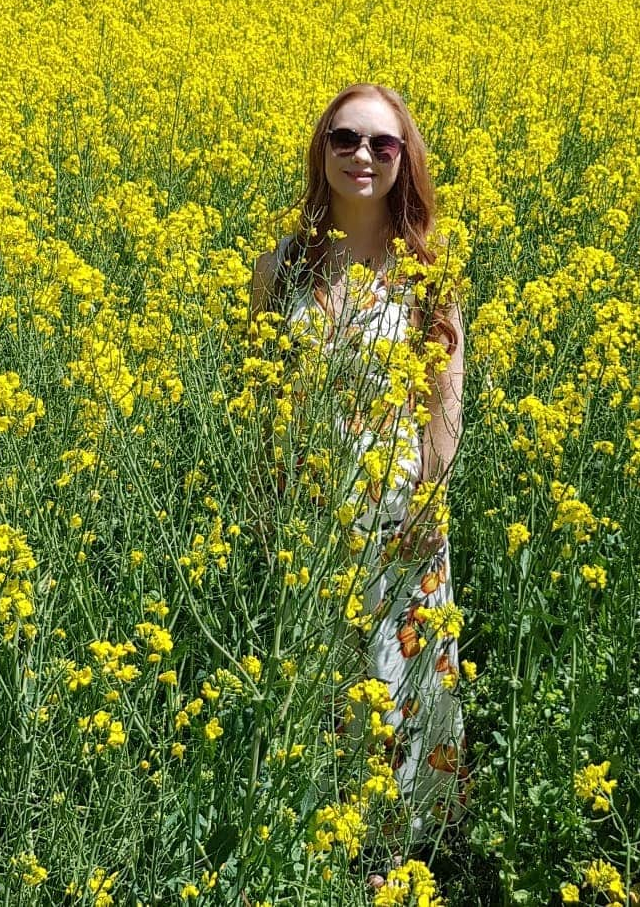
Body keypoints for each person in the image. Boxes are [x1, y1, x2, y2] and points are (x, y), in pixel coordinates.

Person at [250, 83, 467, 849]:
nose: (362, 156)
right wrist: (266, 503)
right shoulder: (281, 267)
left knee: (401, 686)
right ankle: (316, 847)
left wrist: (426, 512)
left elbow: (444, 413)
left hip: (401, 516)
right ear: (323, 151)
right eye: (345, 139)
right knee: (318, 685)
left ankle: (397, 854)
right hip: (312, 518)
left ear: (405, 159)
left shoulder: (426, 277)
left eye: (382, 143)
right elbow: (257, 394)